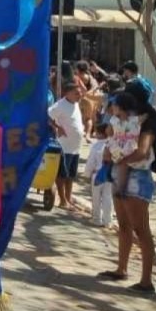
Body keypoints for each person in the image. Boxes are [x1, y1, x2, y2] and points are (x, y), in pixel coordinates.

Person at [98, 91, 156, 294]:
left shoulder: (147, 126)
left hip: (137, 176)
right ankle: (121, 268)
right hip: (121, 172)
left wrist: (120, 160)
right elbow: (110, 134)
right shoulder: (122, 122)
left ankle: (146, 281)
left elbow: (142, 152)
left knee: (141, 229)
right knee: (124, 225)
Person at [48, 82, 85, 210]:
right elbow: (48, 116)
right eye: (76, 93)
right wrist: (58, 127)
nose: (79, 95)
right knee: (62, 174)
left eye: (80, 93)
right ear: (67, 93)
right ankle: (62, 200)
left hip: (76, 147)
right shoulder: (59, 105)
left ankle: (68, 198)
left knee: (71, 175)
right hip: (64, 146)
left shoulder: (76, 104)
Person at [83, 124, 113, 227]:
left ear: (100, 134)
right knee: (108, 197)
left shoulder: (96, 146)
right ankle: (107, 221)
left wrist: (87, 174)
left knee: (96, 197)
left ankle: (96, 219)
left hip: (97, 174)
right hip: (109, 174)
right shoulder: (112, 144)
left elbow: (91, 162)